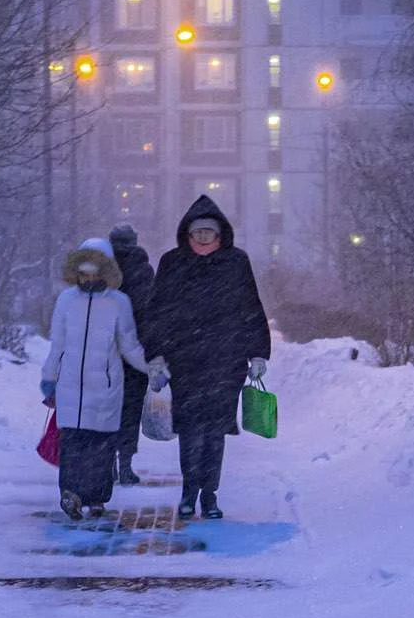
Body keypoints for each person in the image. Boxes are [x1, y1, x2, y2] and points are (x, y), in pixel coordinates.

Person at [143, 195, 270, 520]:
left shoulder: (235, 262)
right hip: (185, 360)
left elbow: (250, 308)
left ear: (219, 233)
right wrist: (155, 354)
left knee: (214, 433)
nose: (202, 236)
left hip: (225, 362)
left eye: (208, 231)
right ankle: (188, 493)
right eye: (197, 231)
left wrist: (257, 352)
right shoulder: (173, 262)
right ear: (188, 233)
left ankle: (209, 496)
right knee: (189, 431)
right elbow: (157, 311)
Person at [40, 237, 163, 521]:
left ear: (106, 272)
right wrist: (49, 377)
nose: (89, 278)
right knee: (72, 445)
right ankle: (70, 494)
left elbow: (129, 345)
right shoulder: (66, 301)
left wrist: (151, 367)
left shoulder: (119, 303)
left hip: (105, 387)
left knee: (101, 446)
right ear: (77, 273)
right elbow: (57, 344)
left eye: (95, 272)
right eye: (84, 272)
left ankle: (97, 498)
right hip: (71, 386)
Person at [107, 223, 157, 485]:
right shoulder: (144, 270)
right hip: (135, 352)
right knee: (130, 410)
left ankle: (106, 463)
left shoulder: (102, 270)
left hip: (103, 352)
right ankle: (125, 463)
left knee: (105, 410)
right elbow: (149, 312)